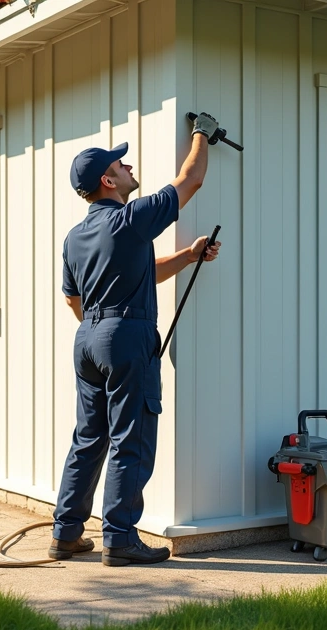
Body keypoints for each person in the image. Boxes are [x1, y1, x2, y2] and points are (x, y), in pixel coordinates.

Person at [49, 113, 224, 566]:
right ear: (108, 179)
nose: (130, 168)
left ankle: (66, 533)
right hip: (126, 336)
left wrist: (187, 256)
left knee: (89, 439)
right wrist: (202, 132)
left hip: (88, 339)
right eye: (121, 166)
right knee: (132, 438)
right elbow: (192, 180)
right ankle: (120, 540)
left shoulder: (76, 237)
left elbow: (77, 299)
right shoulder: (130, 218)